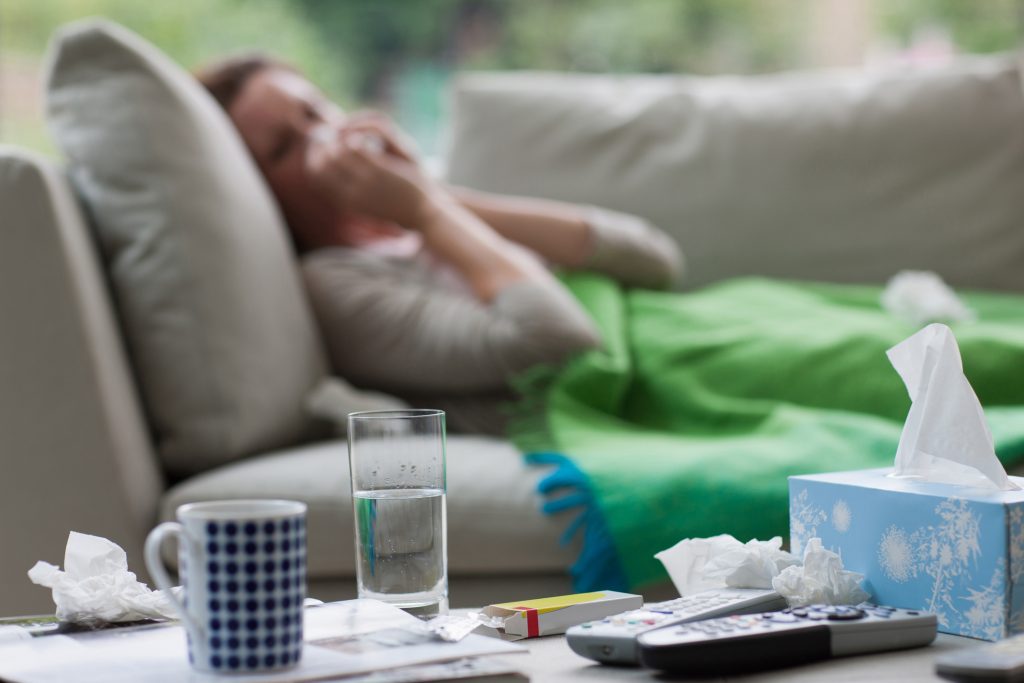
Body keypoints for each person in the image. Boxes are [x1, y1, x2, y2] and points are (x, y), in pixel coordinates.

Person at [197, 54, 683, 433]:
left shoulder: (428, 217)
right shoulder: (334, 284)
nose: (322, 136)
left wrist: (433, 198)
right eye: (284, 147)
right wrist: (425, 210)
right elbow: (561, 344)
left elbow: (656, 259)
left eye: (314, 110)